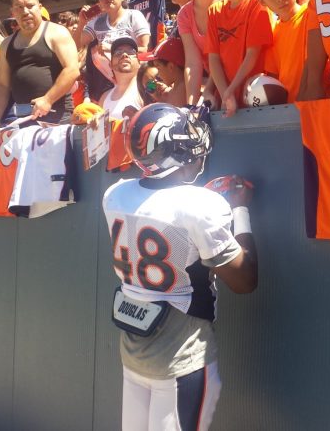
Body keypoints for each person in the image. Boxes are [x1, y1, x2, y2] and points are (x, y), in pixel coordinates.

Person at [102, 103, 257, 431]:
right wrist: (239, 211)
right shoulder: (199, 205)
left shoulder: (115, 196)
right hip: (182, 359)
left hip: (133, 354)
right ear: (175, 153)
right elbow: (244, 280)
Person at [0, 0, 80, 129]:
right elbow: (2, 85)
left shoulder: (57, 32)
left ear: (39, 7)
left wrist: (48, 99)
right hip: (25, 120)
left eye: (30, 6)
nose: (25, 12)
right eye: (19, 7)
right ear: (12, 12)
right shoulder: (6, 44)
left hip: (57, 116)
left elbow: (72, 70)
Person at [205, 0, 274, 117]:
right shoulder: (214, 11)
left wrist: (231, 90)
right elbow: (214, 59)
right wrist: (224, 93)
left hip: (257, 99)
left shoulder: (257, 4)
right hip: (228, 99)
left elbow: (253, 54)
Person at [255, 0, 317, 103]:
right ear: (262, 1)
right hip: (288, 108)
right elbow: (273, 76)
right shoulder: (273, 31)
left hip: (317, 102)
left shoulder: (311, 15)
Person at [166, 0, 221, 106]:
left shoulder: (226, 0)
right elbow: (192, 62)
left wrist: (209, 90)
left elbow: (226, 57)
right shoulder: (184, 14)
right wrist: (191, 103)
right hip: (217, 89)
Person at [81, 0, 151, 101]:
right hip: (109, 84)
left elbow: (145, 50)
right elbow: (77, 44)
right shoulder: (96, 22)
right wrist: (82, 23)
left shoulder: (133, 16)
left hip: (136, 82)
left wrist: (111, 48)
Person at [98, 36, 144, 119]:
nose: (124, 55)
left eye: (131, 52)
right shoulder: (104, 98)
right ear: (110, 64)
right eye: (118, 53)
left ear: (139, 62)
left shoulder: (147, 91)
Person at [140, 37, 188, 106]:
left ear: (171, 67)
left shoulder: (184, 89)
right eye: (150, 86)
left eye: (158, 68)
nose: (157, 84)